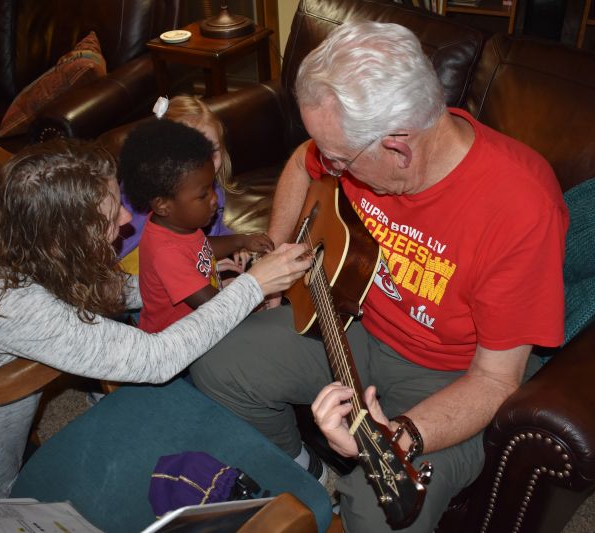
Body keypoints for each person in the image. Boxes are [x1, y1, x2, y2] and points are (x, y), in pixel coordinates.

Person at [190, 21, 570, 532]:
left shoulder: (520, 206)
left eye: (339, 158)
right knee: (218, 362)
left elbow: (497, 379)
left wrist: (404, 435)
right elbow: (302, 167)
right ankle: (308, 477)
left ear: (398, 148)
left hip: (448, 378)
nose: (329, 165)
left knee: (383, 519)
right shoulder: (353, 148)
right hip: (355, 321)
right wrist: (277, 260)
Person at [0, 139, 311, 498]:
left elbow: (97, 287)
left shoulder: (16, 229)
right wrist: (254, 285)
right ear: (63, 240)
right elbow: (156, 358)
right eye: (110, 215)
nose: (127, 220)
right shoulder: (8, 301)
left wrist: (180, 280)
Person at [118, 119, 274, 333]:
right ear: (163, 204)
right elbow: (215, 307)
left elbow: (200, 246)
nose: (214, 199)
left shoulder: (176, 223)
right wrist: (253, 295)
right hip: (181, 348)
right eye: (203, 195)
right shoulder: (165, 253)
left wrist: (241, 240)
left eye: (211, 188)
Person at [117, 95, 244, 274]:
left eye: (212, 151)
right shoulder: (143, 197)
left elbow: (215, 230)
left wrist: (232, 243)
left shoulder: (212, 190)